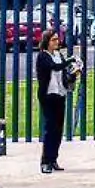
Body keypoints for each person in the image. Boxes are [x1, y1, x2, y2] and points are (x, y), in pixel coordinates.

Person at [34, 30, 77, 174]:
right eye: (53, 40)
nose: (56, 42)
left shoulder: (59, 55)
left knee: (58, 129)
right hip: (48, 95)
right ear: (47, 41)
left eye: (57, 40)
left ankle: (53, 159)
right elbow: (55, 67)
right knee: (50, 128)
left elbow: (63, 72)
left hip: (60, 93)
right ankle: (45, 161)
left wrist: (74, 72)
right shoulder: (43, 56)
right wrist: (70, 60)